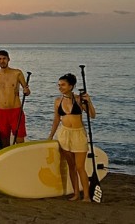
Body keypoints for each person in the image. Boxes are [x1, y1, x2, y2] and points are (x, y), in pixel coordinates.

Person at [48, 73, 97, 202]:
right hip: (64, 134)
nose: (60, 87)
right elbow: (56, 120)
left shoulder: (79, 99)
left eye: (63, 85)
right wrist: (50, 136)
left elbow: (92, 115)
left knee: (80, 167)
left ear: (71, 86)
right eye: (59, 85)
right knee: (71, 166)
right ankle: (76, 194)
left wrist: (89, 101)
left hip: (78, 134)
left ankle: (86, 196)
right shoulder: (58, 101)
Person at [0, 50, 31, 147]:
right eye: (0, 59)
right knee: (4, 140)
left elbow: (27, 91)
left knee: (19, 139)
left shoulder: (17, 73)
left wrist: (26, 91)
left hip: (16, 111)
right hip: (2, 112)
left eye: (4, 59)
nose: (2, 61)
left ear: (8, 59)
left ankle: (20, 158)